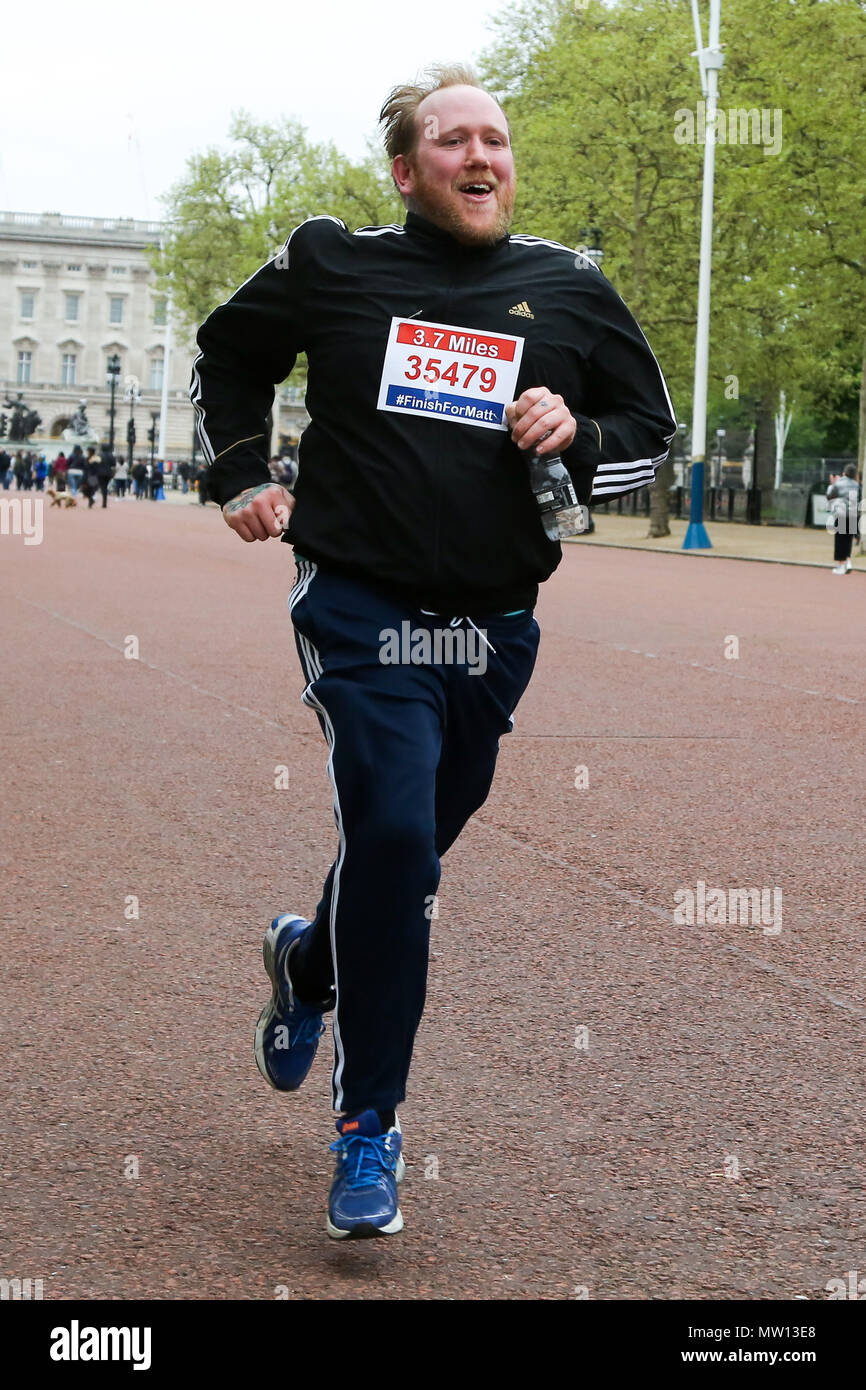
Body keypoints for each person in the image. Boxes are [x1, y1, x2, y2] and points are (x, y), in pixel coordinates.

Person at [189, 65, 675, 1240]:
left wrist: (578, 432)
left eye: (495, 140)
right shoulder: (331, 261)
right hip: (358, 608)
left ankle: (308, 963)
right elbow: (227, 348)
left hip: (493, 627)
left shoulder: (568, 287)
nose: (480, 156)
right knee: (396, 834)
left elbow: (649, 436)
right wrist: (242, 468)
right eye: (451, 140)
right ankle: (369, 1127)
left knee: (408, 849)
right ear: (406, 170)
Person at [827, 464, 861, 574]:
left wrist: (833, 484)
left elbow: (830, 496)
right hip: (852, 514)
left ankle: (841, 565)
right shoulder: (857, 485)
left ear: (844, 473)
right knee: (848, 540)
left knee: (840, 540)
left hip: (841, 513)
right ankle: (848, 561)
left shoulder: (838, 484)